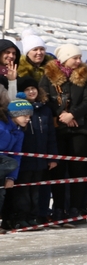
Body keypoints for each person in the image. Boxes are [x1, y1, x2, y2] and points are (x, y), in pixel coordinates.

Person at [39, 43, 87, 225]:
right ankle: (58, 209)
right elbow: (44, 98)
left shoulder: (85, 76)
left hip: (80, 130)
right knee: (59, 172)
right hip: (59, 130)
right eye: (75, 58)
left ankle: (76, 208)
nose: (79, 61)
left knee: (78, 172)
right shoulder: (49, 75)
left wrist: (73, 114)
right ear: (64, 59)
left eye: (80, 58)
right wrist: (62, 115)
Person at [12, 78, 58, 228]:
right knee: (23, 191)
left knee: (36, 190)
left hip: (41, 158)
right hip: (23, 159)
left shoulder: (44, 109)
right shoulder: (18, 110)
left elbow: (51, 135)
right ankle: (22, 217)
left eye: (33, 88)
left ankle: (34, 217)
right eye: (27, 89)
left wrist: (52, 156)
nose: (31, 91)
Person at [0, 96, 33, 234]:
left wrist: (11, 178)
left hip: (3, 166)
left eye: (29, 116)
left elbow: (16, 155)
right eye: (25, 115)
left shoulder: (19, 132)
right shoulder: (1, 126)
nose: (28, 119)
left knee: (1, 194)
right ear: (15, 114)